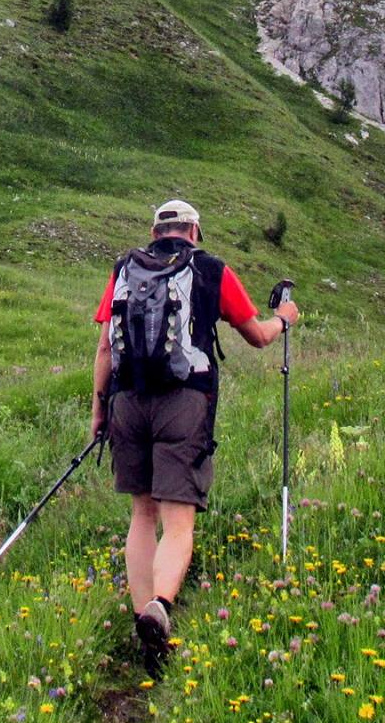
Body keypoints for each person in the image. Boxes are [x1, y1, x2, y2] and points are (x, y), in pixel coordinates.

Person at [91, 198, 298, 670]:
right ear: (194, 232)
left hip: (126, 401)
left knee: (142, 514)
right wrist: (284, 317)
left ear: (154, 232)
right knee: (178, 519)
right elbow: (257, 335)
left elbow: (104, 348)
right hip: (184, 402)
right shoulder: (211, 269)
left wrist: (99, 412)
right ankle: (161, 605)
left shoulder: (124, 269)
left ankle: (143, 621)